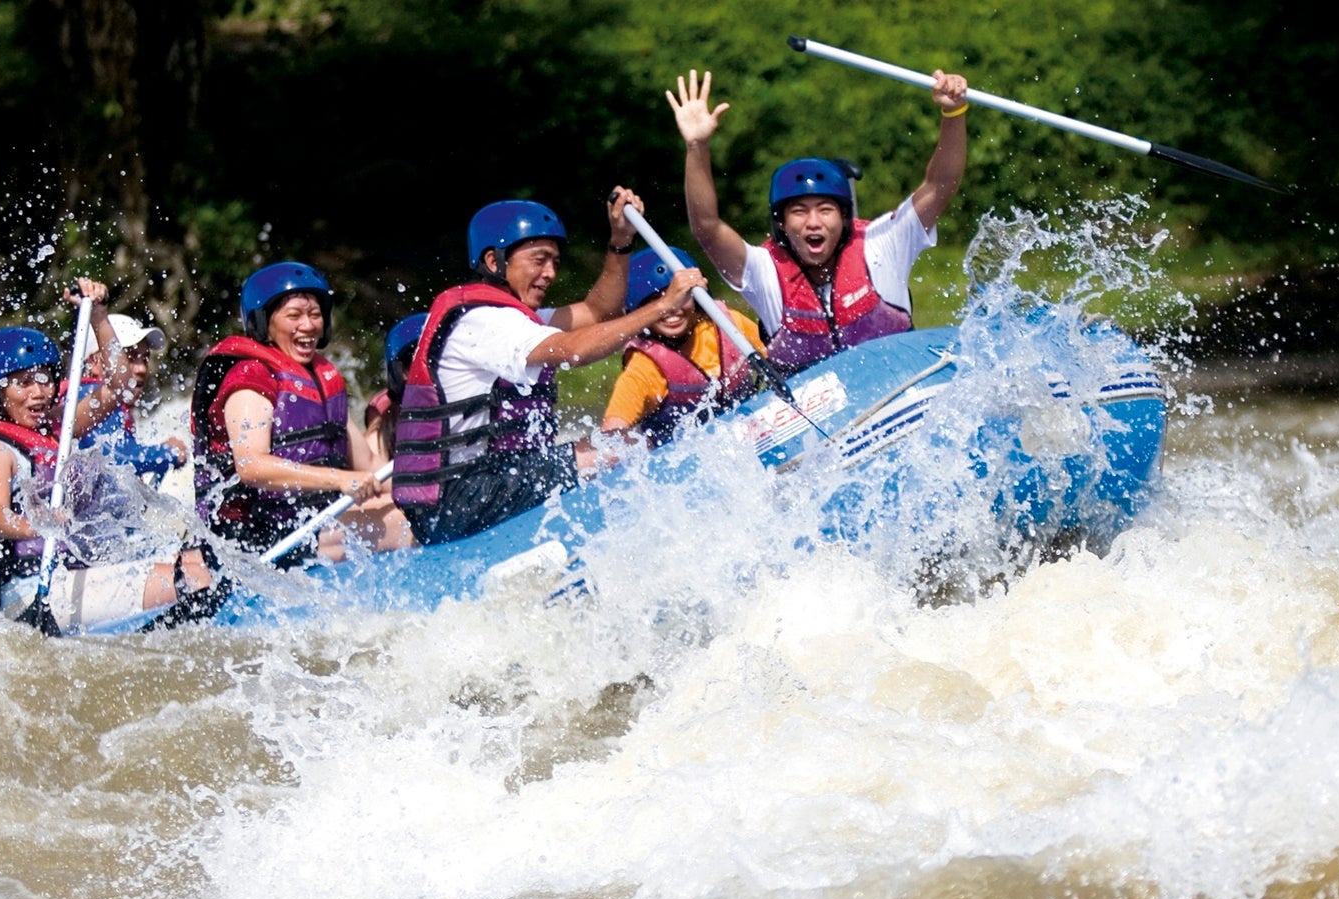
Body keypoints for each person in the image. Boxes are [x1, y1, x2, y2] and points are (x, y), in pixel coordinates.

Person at [392, 191, 706, 545]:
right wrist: (663, 305)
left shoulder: (513, 317)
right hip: (463, 497)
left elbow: (598, 312)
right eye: (539, 260)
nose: (550, 273)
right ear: (494, 261)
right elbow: (574, 350)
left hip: (484, 485)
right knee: (625, 446)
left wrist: (620, 241)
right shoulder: (482, 321)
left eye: (555, 262)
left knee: (614, 444)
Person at [668, 66, 970, 372]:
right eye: (799, 211)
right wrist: (697, 146)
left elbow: (940, 184)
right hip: (814, 400)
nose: (813, 222)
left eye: (825, 210)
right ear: (781, 223)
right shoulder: (763, 270)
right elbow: (706, 227)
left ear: (844, 217)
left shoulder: (882, 243)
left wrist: (953, 113)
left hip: (901, 380)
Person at [0, 279, 227, 634]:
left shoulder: (59, 428)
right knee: (191, 579)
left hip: (75, 573)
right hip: (30, 590)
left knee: (199, 563)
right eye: (22, 383)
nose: (38, 392)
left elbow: (119, 387)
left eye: (44, 379)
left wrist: (99, 317)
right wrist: (39, 525)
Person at [192, 262, 412, 560]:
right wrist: (338, 479)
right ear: (263, 322)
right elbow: (251, 466)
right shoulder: (251, 377)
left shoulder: (323, 379)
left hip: (312, 518)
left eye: (315, 315)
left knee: (410, 503)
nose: (308, 325)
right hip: (257, 534)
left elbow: (370, 467)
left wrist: (433, 478)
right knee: (406, 522)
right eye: (294, 315)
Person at [600, 248, 765, 447]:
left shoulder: (730, 325)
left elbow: (780, 360)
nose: (673, 310)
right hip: (683, 454)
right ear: (640, 312)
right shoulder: (645, 368)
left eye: (681, 297)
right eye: (656, 301)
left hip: (749, 433)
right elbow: (611, 437)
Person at [77, 314, 188, 485]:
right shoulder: (89, 395)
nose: (141, 368)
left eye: (145, 359)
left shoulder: (119, 409)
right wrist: (168, 453)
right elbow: (115, 457)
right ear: (94, 361)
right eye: (129, 358)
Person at [367, 312, 425, 464]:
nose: (432, 368)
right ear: (401, 373)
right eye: (418, 361)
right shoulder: (383, 431)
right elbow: (368, 471)